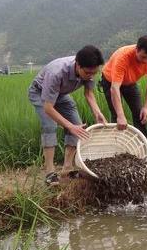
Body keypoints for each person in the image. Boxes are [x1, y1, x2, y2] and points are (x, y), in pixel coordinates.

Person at [28, 45, 107, 186]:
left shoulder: (90, 70)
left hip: (61, 94)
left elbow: (88, 94)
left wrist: (97, 113)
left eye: (94, 73)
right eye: (88, 73)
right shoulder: (57, 72)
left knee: (78, 126)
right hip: (40, 93)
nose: (91, 76)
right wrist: (69, 126)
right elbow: (48, 108)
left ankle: (67, 169)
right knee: (50, 125)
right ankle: (50, 173)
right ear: (78, 65)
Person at [100, 35, 147, 139]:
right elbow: (114, 88)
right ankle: (117, 147)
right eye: (143, 57)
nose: (145, 61)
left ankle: (146, 149)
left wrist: (146, 107)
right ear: (136, 49)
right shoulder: (123, 57)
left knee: (140, 113)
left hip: (130, 82)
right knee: (117, 115)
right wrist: (121, 115)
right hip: (110, 81)